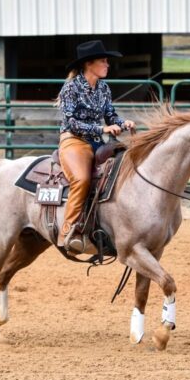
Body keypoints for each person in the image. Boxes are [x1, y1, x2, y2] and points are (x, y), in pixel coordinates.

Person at [57, 40, 136, 253]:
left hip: (97, 142)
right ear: (89, 64)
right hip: (74, 140)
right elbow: (71, 121)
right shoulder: (70, 88)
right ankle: (67, 232)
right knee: (81, 180)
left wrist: (122, 123)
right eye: (103, 61)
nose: (107, 64)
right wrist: (102, 130)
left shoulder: (103, 88)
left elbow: (110, 114)